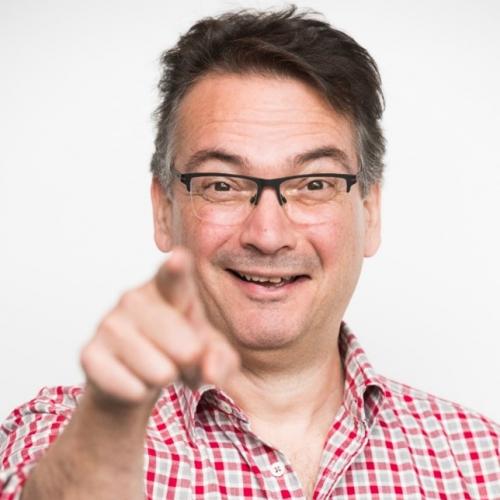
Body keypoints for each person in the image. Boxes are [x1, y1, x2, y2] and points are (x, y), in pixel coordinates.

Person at [1, 6, 499, 499]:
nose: (267, 234)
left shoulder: (483, 460)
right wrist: (109, 427)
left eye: (314, 183)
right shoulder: (60, 435)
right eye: (222, 184)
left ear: (369, 212)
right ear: (164, 210)